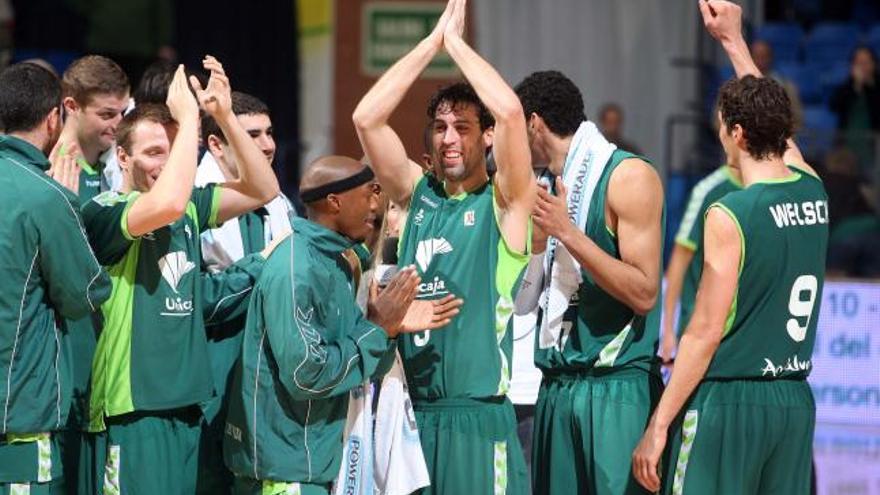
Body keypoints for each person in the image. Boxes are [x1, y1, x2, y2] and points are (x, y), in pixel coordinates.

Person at [632, 2, 829, 494]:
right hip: (793, 404)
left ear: (736, 133)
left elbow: (704, 332)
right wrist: (733, 42)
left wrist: (658, 426)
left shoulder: (730, 213)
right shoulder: (813, 192)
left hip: (730, 402)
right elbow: (780, 133)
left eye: (723, 126)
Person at [351, 0, 536, 492]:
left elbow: (513, 112)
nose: (449, 138)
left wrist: (457, 45)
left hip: (478, 421)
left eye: (463, 127)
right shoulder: (417, 197)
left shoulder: (507, 204)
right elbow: (367, 118)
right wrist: (430, 45)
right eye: (439, 128)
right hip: (411, 418)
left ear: (487, 137)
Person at [80, 58, 279, 494]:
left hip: (187, 406)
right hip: (132, 411)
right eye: (154, 153)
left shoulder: (189, 208)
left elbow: (264, 189)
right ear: (123, 156)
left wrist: (223, 116)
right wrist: (190, 119)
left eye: (173, 155)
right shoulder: (104, 211)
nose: (166, 166)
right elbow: (166, 204)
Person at [223, 155, 462, 495]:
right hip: (285, 470)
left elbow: (357, 360)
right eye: (369, 193)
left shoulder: (341, 262)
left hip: (318, 462)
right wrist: (377, 328)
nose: (376, 205)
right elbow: (307, 373)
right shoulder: (295, 269)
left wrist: (388, 330)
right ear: (335, 201)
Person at [514, 68, 665, 495]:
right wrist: (540, 249)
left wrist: (569, 235)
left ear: (533, 123)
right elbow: (522, 306)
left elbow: (645, 293)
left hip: (614, 388)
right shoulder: (538, 189)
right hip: (557, 386)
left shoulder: (628, 176)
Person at [0, 62, 112, 493]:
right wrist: (69, 206)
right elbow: (84, 293)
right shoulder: (47, 197)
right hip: (18, 423)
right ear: (53, 118)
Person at [195, 89, 294, 493]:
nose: (268, 145)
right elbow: (197, 298)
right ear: (216, 143)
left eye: (269, 133)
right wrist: (262, 267)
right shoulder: (191, 197)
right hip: (210, 363)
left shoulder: (277, 200)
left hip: (260, 364)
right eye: (251, 135)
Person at [54, 54, 131, 493]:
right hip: (66, 354)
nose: (117, 123)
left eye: (122, 112)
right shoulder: (52, 171)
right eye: (106, 114)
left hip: (106, 359)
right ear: (70, 106)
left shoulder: (112, 170)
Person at [660, 163, 742, 366]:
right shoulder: (708, 190)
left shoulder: (769, 190)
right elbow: (679, 259)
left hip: (743, 333)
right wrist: (668, 329)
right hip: (700, 330)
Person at [830, 45, 880, 174]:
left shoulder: (876, 89)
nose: (862, 67)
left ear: (874, 64)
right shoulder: (847, 87)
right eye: (858, 63)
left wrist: (869, 86)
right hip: (848, 142)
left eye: (866, 63)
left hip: (873, 144)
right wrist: (856, 86)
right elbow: (834, 105)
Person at [750, 40, 803, 129]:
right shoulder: (736, 88)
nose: (760, 61)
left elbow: (797, 119)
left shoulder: (785, 86)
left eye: (764, 57)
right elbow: (720, 120)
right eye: (756, 56)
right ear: (749, 58)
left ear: (770, 58)